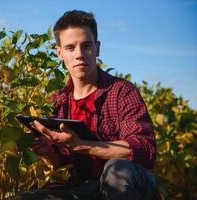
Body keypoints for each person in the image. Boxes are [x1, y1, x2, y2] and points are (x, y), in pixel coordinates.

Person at [17, 10, 157, 200]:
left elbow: (144, 150)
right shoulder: (58, 102)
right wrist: (49, 153)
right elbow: (64, 164)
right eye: (70, 47)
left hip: (129, 187)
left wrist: (84, 146)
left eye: (86, 46)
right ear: (59, 53)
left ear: (97, 48)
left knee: (117, 170)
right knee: (30, 198)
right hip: (85, 190)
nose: (79, 54)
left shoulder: (122, 91)